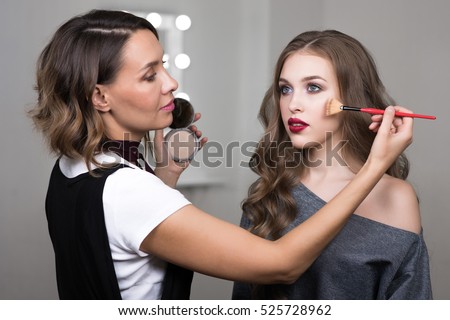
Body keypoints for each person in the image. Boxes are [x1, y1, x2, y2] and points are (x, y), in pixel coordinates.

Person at [30, 10, 414, 300]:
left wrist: (163, 176)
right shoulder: (132, 192)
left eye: (312, 87)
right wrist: (375, 166)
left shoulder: (71, 168)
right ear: (100, 96)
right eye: (150, 75)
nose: (171, 83)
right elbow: (281, 265)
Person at [232, 30, 432, 300]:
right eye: (285, 89)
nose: (293, 104)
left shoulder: (395, 197)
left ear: (353, 97)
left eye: (313, 87)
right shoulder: (270, 190)